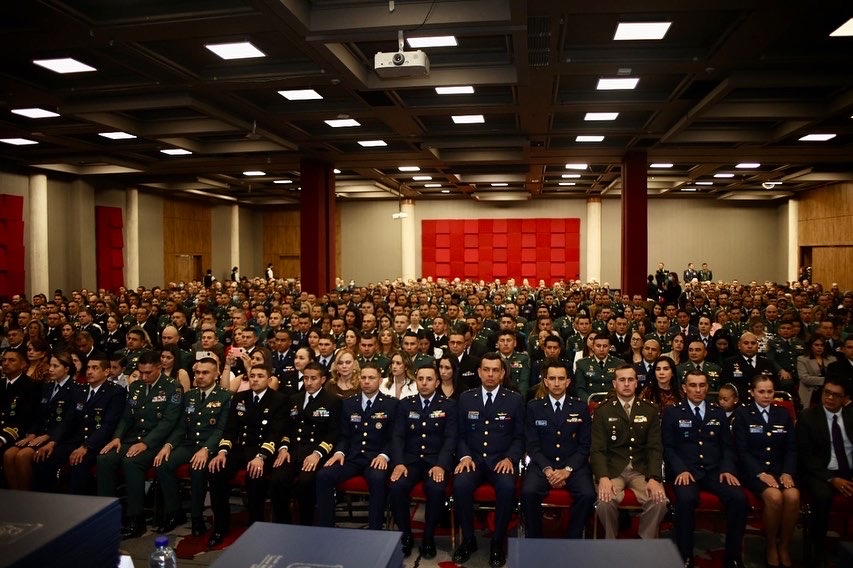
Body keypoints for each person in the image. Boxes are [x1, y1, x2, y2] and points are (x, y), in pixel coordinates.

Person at [662, 369, 747, 568]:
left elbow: (727, 446)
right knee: (685, 499)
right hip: (686, 471)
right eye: (693, 385)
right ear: (684, 388)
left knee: (738, 498)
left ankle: (733, 556)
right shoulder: (672, 412)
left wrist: (727, 469)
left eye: (702, 385)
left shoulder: (717, 412)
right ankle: (685, 555)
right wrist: (680, 469)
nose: (698, 390)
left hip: (715, 470)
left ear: (708, 388)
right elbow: (668, 447)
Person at [97, 350, 183, 539]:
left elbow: (169, 422)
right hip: (132, 439)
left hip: (156, 442)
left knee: (131, 462)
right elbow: (127, 417)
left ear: (159, 368)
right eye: (141, 372)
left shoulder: (172, 388)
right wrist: (117, 437)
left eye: (148, 372)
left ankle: (136, 518)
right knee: (104, 459)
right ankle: (108, 514)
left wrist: (146, 443)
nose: (144, 376)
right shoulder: (135, 387)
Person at [452, 353, 525, 568]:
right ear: (479, 372)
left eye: (495, 370)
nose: (490, 374)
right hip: (473, 460)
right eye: (486, 369)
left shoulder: (514, 399)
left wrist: (511, 458)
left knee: (507, 487)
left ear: (502, 374)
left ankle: (496, 541)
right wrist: (464, 456)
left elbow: (520, 437)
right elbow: (461, 435)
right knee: (460, 484)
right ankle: (468, 538)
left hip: (501, 460)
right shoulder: (466, 398)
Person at [207, 364, 288, 546]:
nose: (255, 379)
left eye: (260, 376)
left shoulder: (279, 399)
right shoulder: (240, 398)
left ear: (269, 380)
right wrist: (222, 452)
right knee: (216, 471)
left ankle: (255, 526)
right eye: (252, 376)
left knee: (255, 476)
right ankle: (220, 526)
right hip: (240, 448)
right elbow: (230, 429)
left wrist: (261, 456)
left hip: (263, 449)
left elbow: (276, 432)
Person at [153, 357, 231, 536]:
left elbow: (221, 429)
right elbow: (181, 426)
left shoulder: (225, 396)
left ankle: (197, 518)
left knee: (198, 468)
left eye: (205, 373)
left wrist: (206, 449)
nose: (200, 376)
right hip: (189, 445)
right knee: (163, 464)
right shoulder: (189, 396)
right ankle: (175, 512)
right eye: (197, 372)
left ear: (217, 374)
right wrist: (168, 445)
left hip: (209, 446)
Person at [315, 362, 397, 530]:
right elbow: (344, 435)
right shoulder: (348, 403)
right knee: (324, 475)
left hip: (376, 458)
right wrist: (339, 452)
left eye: (371, 378)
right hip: (352, 457)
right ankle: (326, 528)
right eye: (364, 377)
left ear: (380, 380)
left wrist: (384, 456)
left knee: (378, 479)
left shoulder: (391, 404)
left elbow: (394, 437)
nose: (367, 381)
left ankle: (375, 531)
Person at [388, 364, 457, 559]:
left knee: (436, 489)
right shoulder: (405, 404)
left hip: (435, 460)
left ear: (437, 382)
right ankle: (406, 535)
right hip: (409, 461)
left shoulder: (449, 405)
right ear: (415, 381)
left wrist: (442, 465)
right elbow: (398, 436)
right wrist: (399, 462)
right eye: (420, 379)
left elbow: (451, 438)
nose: (424, 383)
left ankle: (428, 537)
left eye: (429, 379)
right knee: (396, 486)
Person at [521, 360, 595, 540]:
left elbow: (585, 445)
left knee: (587, 494)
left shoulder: (580, 407)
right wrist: (548, 470)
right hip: (542, 465)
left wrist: (567, 470)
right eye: (552, 378)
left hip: (572, 466)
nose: (556, 383)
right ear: (545, 381)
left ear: (568, 382)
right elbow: (532, 445)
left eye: (561, 379)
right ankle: (534, 540)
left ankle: (572, 539)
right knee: (528, 492)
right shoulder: (534, 407)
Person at [591, 364, 667, 538]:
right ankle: (611, 540)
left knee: (660, 502)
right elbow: (597, 450)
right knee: (604, 502)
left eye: (630, 380)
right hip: (612, 469)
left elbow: (655, 448)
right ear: (614, 383)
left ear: (636, 383)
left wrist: (655, 478)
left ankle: (644, 541)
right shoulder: (603, 411)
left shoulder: (650, 410)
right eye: (622, 380)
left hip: (641, 469)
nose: (626, 384)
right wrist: (602, 477)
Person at [732, 374, 799, 568]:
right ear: (752, 392)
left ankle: (784, 545)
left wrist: (787, 472)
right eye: (761, 391)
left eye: (770, 391)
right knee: (775, 497)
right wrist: (760, 473)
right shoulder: (743, 414)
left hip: (780, 470)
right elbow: (741, 451)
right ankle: (770, 544)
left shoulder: (783, 414)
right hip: (753, 471)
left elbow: (791, 448)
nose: (766, 395)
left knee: (793, 496)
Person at [33, 354, 126, 494]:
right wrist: (53, 442)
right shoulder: (80, 391)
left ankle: (77, 508)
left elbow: (108, 426)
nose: (89, 371)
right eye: (88, 368)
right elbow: (68, 420)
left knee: (79, 463)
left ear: (106, 372)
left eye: (95, 368)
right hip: (75, 440)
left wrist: (86, 446)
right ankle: (45, 503)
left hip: (97, 443)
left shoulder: (115, 392)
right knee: (45, 458)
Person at [270, 362, 341, 525]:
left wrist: (317, 454)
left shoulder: (332, 401)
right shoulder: (294, 398)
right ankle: (283, 524)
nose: (308, 382)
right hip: (293, 450)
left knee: (306, 482)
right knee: (277, 480)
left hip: (316, 451)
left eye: (313, 378)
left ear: (322, 379)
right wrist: (283, 448)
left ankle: (306, 524)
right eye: (306, 378)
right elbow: (286, 428)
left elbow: (333, 433)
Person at [796, 375, 853, 567]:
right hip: (820, 472)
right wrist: (832, 479)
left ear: (845, 399)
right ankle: (817, 547)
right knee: (822, 497)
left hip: (849, 470)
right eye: (827, 393)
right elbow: (806, 457)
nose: (829, 398)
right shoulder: (808, 417)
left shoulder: (851, 416)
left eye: (836, 395)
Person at [4, 352, 79, 490]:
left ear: (66, 368)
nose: (50, 369)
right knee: (9, 454)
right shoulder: (47, 387)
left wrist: (49, 437)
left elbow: (69, 421)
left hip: (60, 438)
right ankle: (15, 495)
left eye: (55, 366)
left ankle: (27, 497)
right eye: (50, 365)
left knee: (23, 456)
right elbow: (38, 415)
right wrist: (32, 433)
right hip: (40, 434)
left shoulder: (75, 389)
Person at [720, 332, 775, 398]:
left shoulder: (767, 363)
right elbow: (726, 386)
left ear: (757, 345)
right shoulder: (729, 363)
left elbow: (774, 385)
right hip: (738, 403)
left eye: (753, 343)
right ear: (739, 345)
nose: (750, 346)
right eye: (746, 343)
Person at [574, 335, 625, 402]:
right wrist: (590, 403)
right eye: (598, 346)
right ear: (593, 347)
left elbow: (622, 386)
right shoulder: (582, 364)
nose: (601, 349)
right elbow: (580, 389)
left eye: (605, 346)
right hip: (590, 404)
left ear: (609, 347)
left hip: (613, 403)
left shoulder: (619, 363)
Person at [797, 334, 837, 408]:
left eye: (822, 345)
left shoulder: (832, 359)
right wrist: (825, 380)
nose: (819, 347)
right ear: (811, 346)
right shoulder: (802, 359)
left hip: (828, 390)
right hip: (810, 391)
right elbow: (804, 378)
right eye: (816, 345)